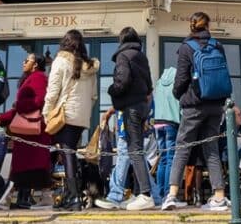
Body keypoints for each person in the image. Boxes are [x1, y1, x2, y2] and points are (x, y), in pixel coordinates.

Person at [161, 12, 230, 212]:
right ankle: (219, 196)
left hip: (194, 104)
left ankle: (172, 195)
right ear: (208, 25)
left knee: (182, 148)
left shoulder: (186, 47)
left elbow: (181, 79)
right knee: (211, 150)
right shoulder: (218, 45)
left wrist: (178, 95)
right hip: (216, 104)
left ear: (191, 26)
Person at [43, 28, 100, 211]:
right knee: (70, 152)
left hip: (65, 113)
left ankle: (74, 197)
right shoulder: (90, 66)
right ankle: (70, 195)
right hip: (81, 116)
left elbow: (52, 92)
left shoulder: (60, 62)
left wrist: (47, 113)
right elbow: (93, 96)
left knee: (67, 153)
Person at [0, 51, 53, 210]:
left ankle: (7, 199)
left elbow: (39, 100)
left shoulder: (38, 77)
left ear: (35, 65)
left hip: (33, 133)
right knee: (28, 167)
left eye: (27, 60)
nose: (23, 62)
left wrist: (18, 106)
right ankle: (45, 198)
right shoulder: (30, 79)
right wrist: (3, 118)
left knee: (24, 167)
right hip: (29, 133)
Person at [106, 26, 155, 211]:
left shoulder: (123, 56)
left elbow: (122, 80)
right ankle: (141, 194)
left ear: (122, 40)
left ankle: (146, 195)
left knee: (134, 150)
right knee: (137, 150)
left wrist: (112, 90)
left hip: (131, 107)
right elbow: (149, 85)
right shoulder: (141, 57)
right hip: (143, 106)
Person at [151, 66, 180, 203]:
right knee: (170, 159)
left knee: (162, 159)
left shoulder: (159, 83)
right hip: (171, 122)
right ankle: (169, 194)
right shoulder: (176, 82)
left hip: (158, 123)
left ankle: (159, 193)